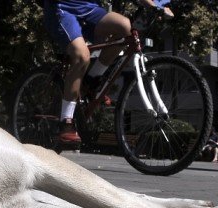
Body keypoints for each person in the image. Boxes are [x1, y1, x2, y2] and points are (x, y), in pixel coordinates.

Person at [42, 0, 174, 149]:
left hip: (89, 8)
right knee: (81, 56)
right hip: (62, 8)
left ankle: (91, 81)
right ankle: (66, 120)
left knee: (125, 28)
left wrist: (156, 5)